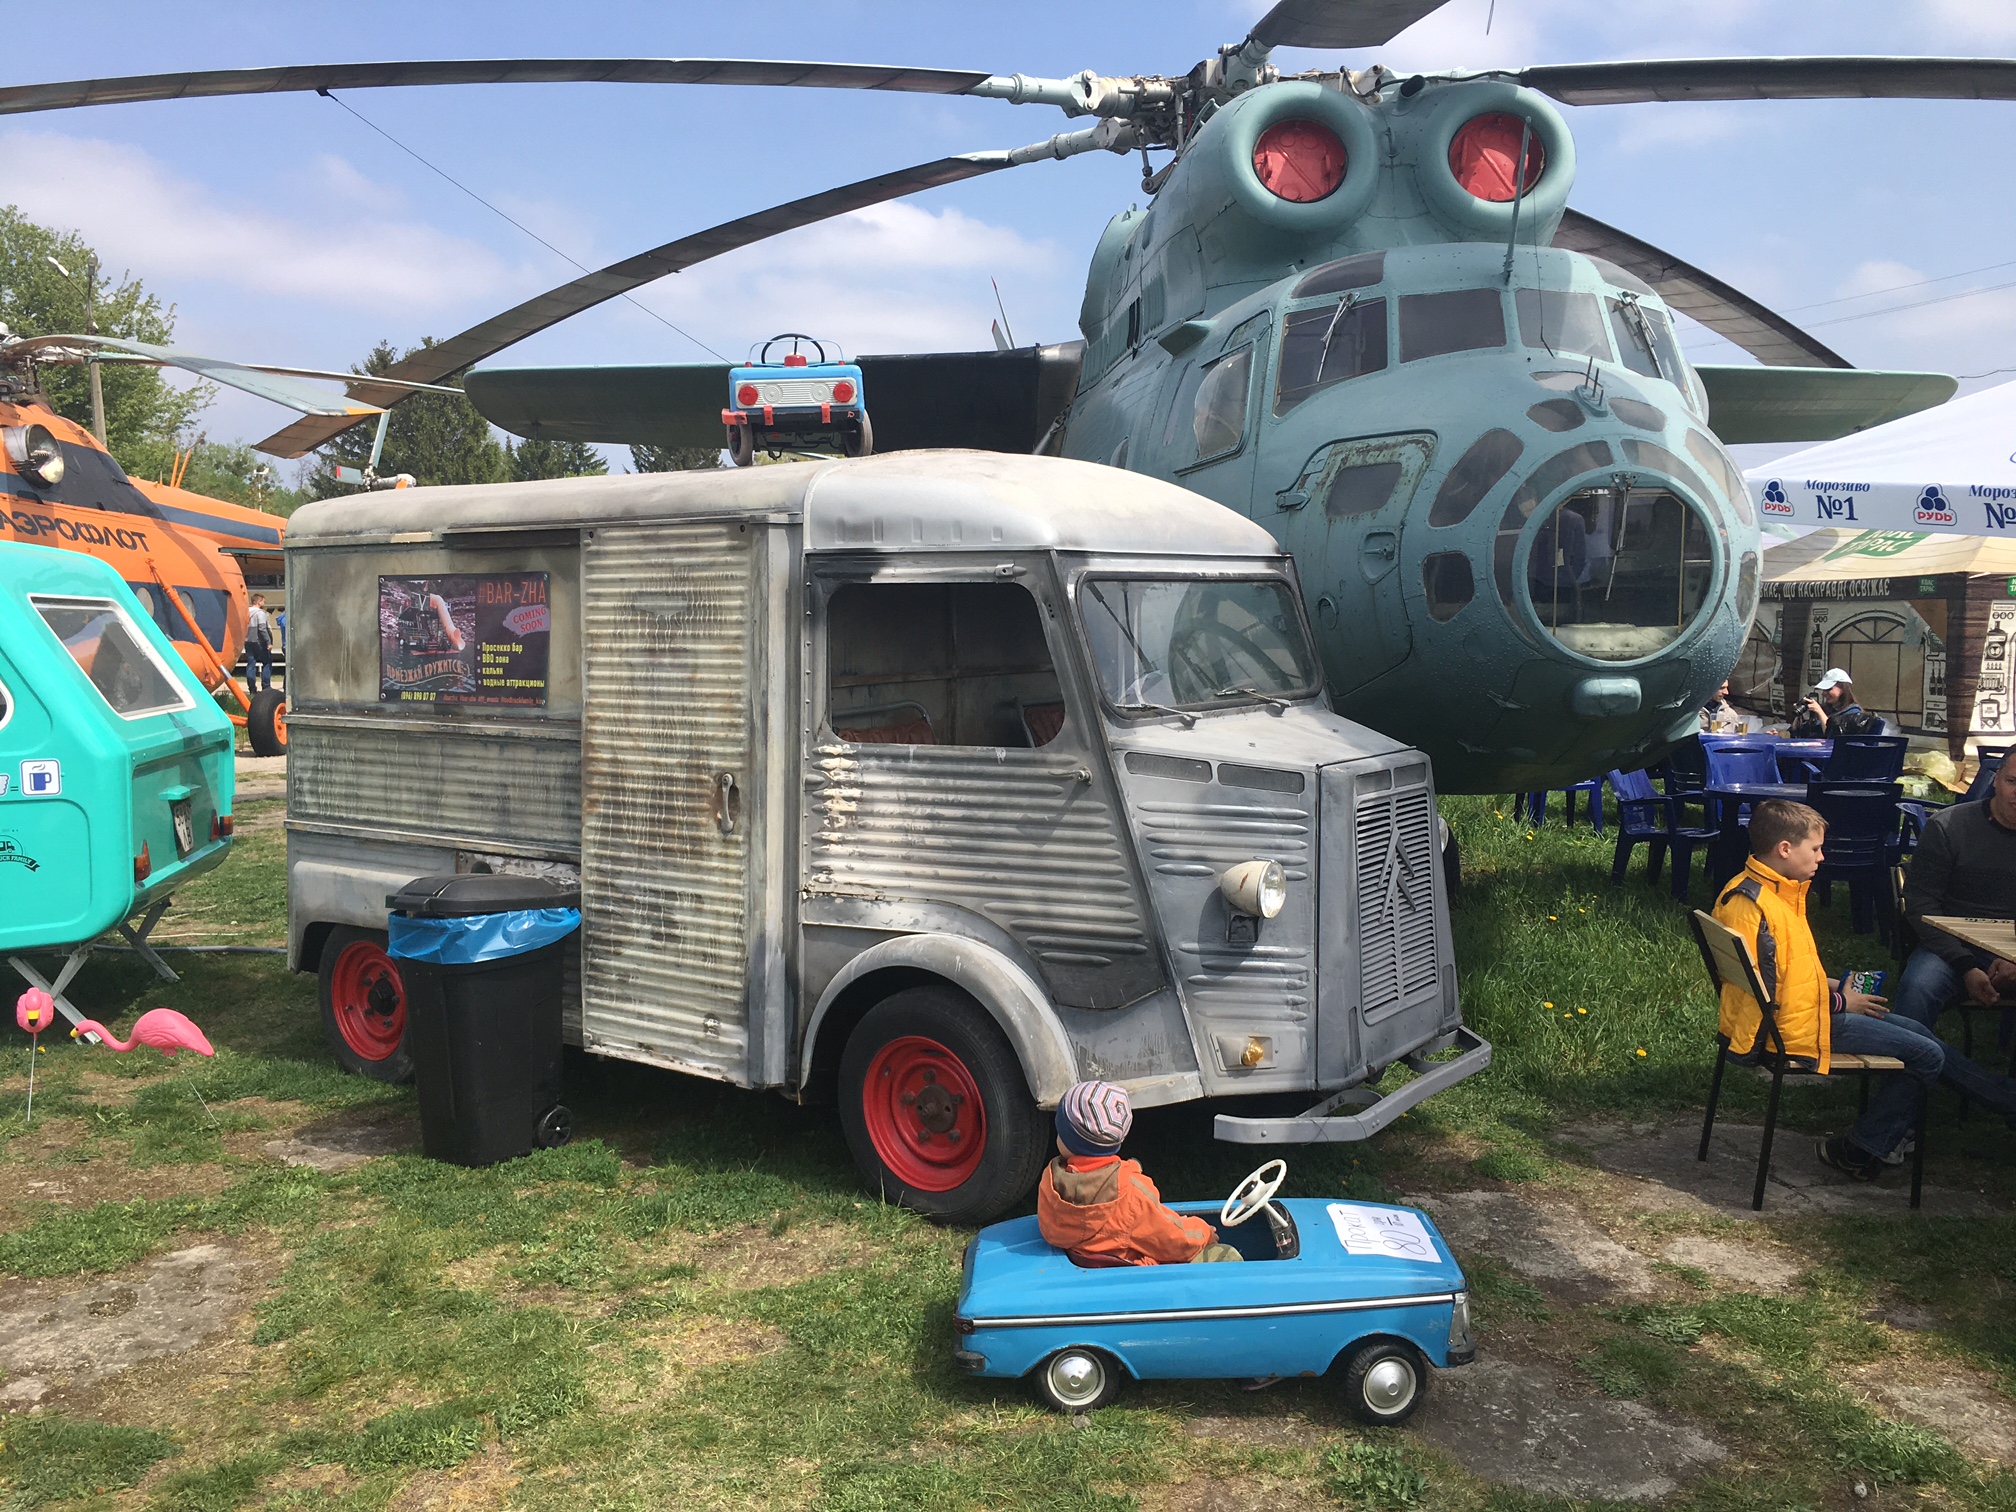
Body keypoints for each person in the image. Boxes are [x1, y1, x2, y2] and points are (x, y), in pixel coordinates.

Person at [1713, 799, 2016, 1180]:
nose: (1822, 857)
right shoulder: (1754, 904)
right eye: (1815, 849)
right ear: (1785, 849)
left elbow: (1781, 972)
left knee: (1919, 1033)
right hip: (1796, 1028)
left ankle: (2004, 1098)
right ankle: (1863, 1148)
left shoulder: (1771, 891)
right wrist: (1842, 1001)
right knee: (1926, 1054)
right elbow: (1770, 992)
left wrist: (1835, 985)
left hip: (1803, 1015)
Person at [1037, 1080, 1241, 1265]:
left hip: (1096, 1265)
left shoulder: (1053, 1181)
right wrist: (1204, 1232)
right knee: (1227, 1255)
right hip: (1135, 1272)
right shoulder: (1131, 1193)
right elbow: (1174, 1240)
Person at [1893, 757, 2016, 1036]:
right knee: (1919, 987)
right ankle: (1904, 1059)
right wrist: (1965, 966)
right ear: (1996, 779)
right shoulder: (1950, 826)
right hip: (1951, 946)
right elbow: (1920, 904)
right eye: (2012, 782)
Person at [1788, 667, 1881, 737]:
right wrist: (1799, 714)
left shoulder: (1854, 713)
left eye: (1828, 689)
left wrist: (1819, 711)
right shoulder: (1827, 709)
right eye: (1823, 690)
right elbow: (1797, 732)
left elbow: (1833, 736)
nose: (1824, 693)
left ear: (1843, 688)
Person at [244, 593, 274, 692]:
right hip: (259, 642)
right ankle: (266, 687)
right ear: (259, 602)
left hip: (248, 641)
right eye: (263, 601)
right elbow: (262, 629)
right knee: (267, 662)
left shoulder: (246, 612)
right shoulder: (260, 613)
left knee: (251, 664)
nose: (264, 603)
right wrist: (268, 642)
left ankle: (252, 688)